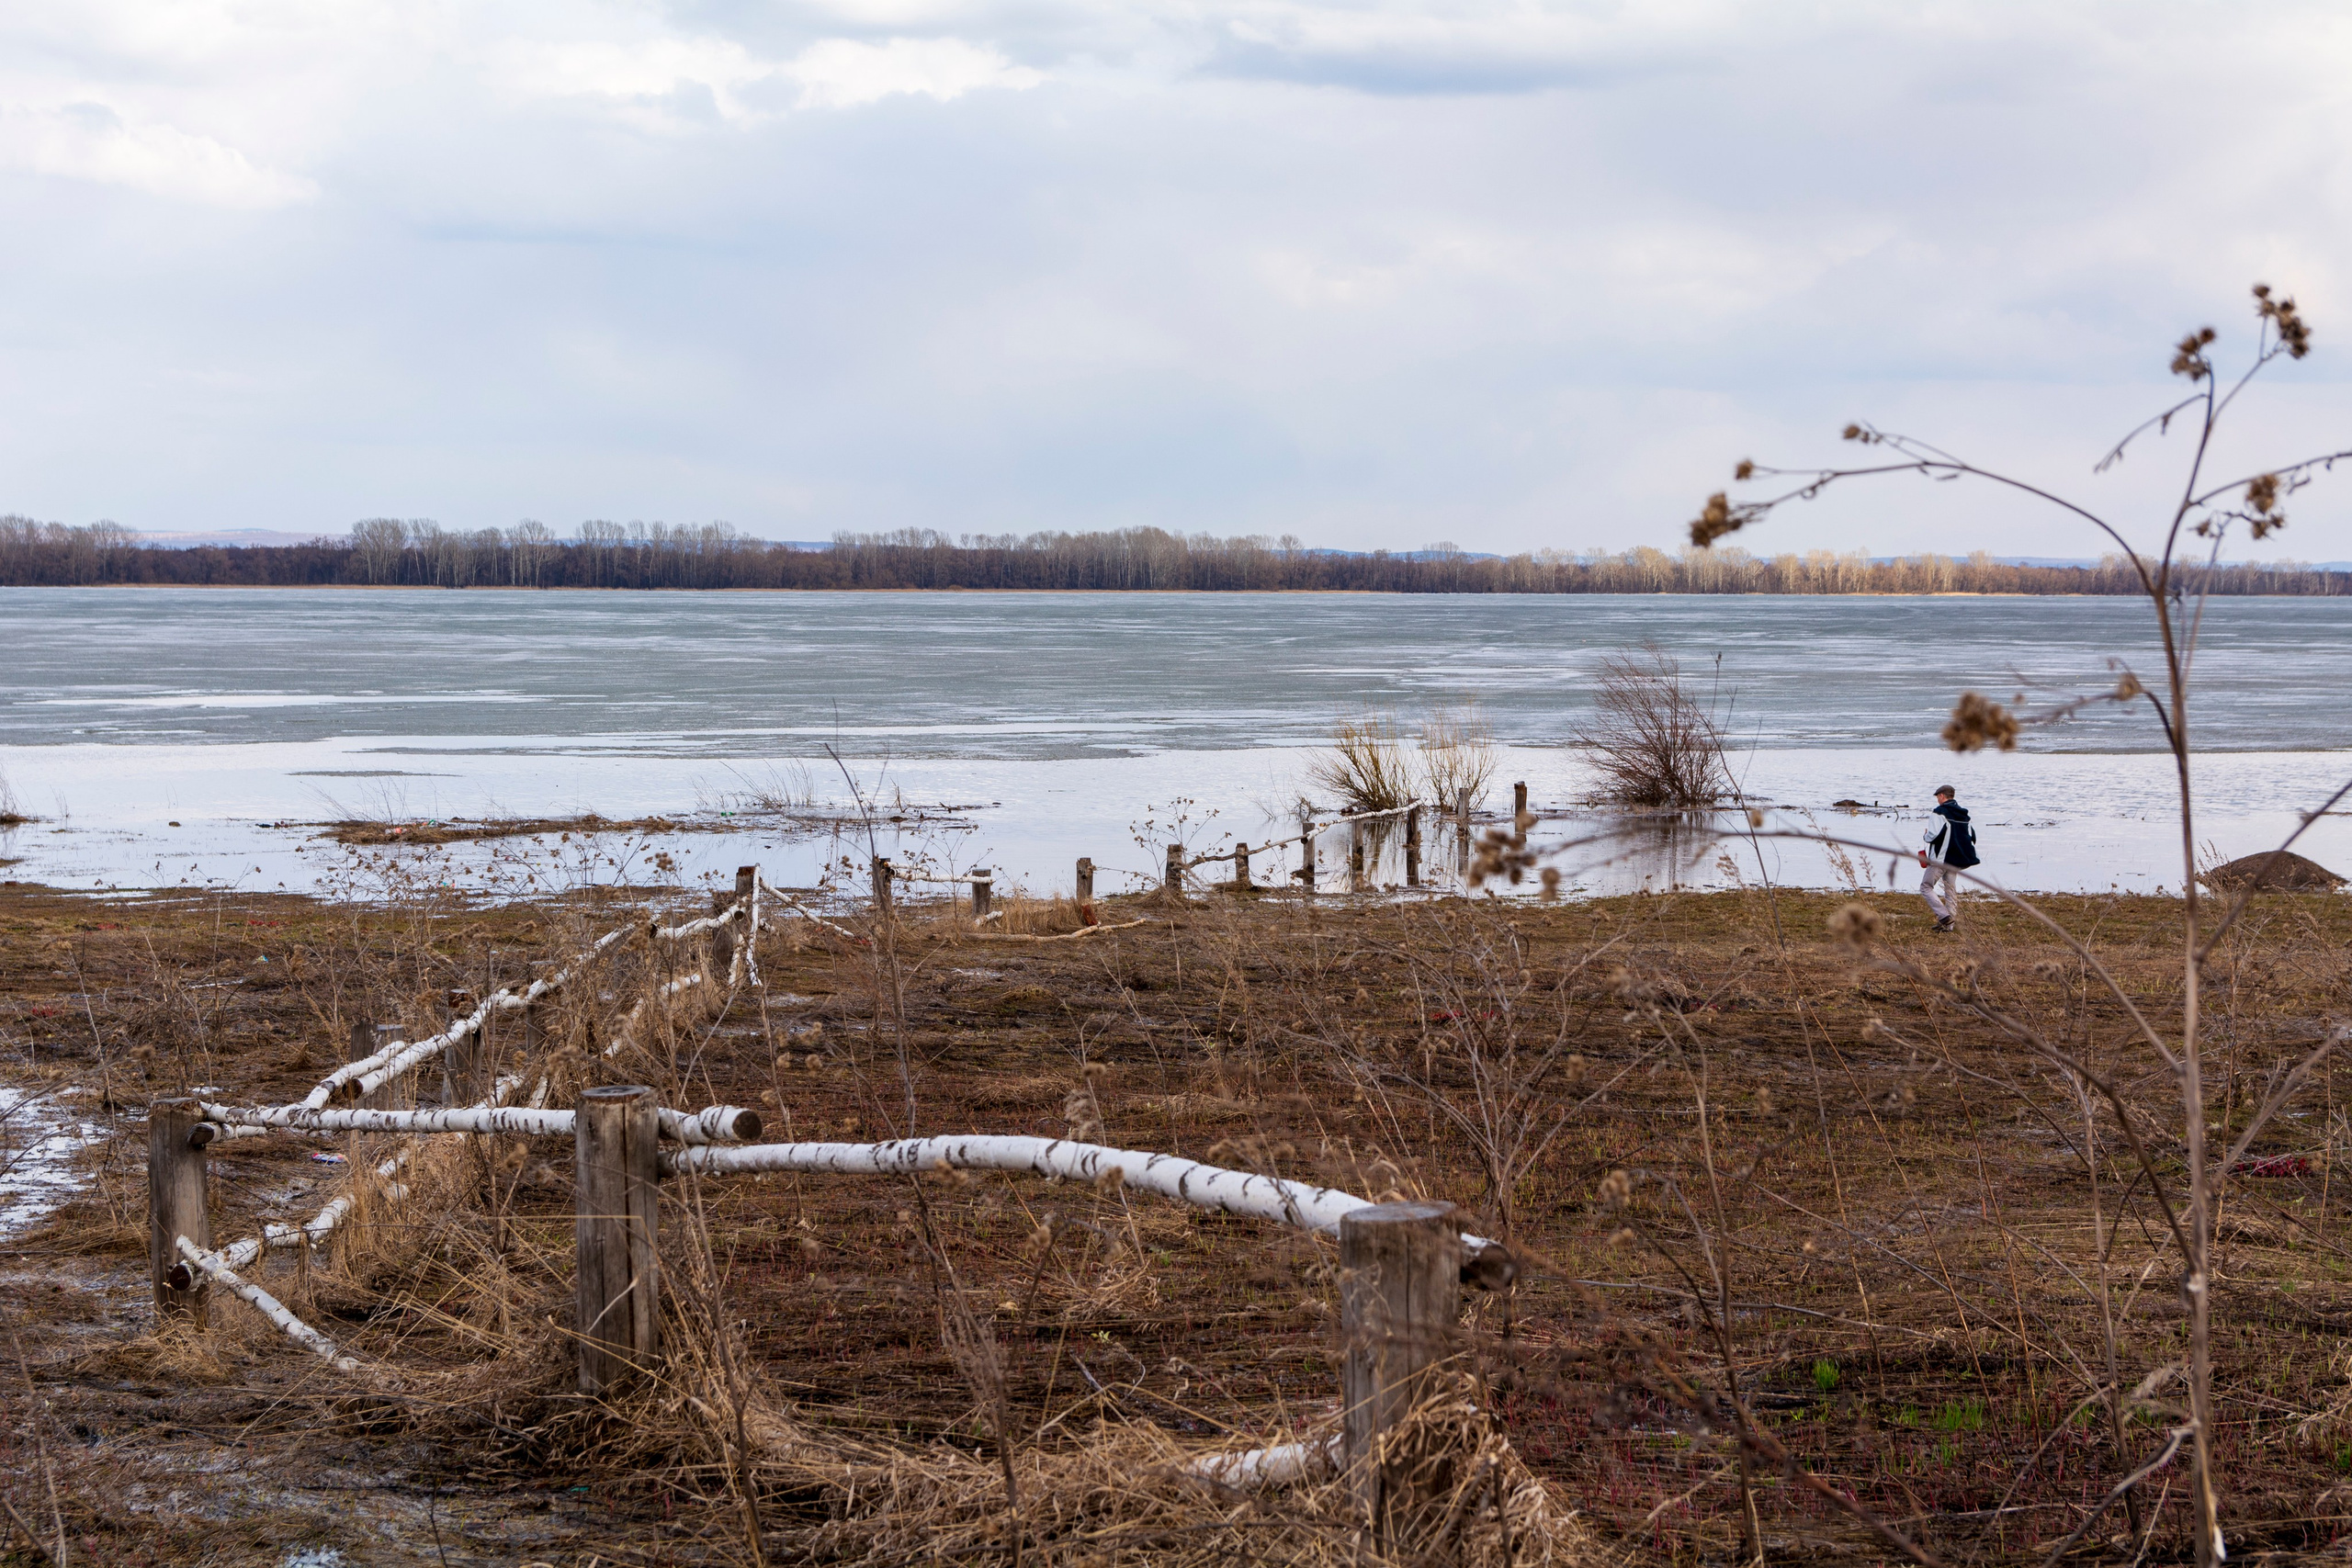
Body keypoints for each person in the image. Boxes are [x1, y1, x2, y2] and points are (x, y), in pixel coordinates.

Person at [1917, 784, 1977, 932]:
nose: (1937, 799)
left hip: (1941, 858)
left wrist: (1925, 836)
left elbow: (1933, 835)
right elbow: (1972, 837)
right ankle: (1949, 926)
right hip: (1956, 859)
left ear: (1942, 796)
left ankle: (1944, 917)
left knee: (1925, 887)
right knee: (1950, 890)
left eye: (1937, 796)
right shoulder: (1964, 815)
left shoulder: (1939, 812)